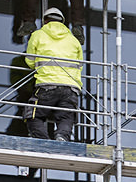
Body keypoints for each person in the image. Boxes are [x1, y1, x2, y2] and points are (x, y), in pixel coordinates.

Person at [20, 7, 86, 142]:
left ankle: (43, 141)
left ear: (45, 21)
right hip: (71, 87)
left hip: (47, 85)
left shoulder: (37, 35)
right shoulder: (73, 40)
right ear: (62, 22)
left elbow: (30, 61)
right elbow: (80, 65)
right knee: (66, 117)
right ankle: (62, 137)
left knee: (33, 115)